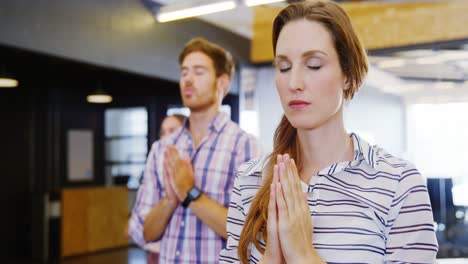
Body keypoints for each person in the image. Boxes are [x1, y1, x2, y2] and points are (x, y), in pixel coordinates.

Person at [219, 1, 438, 263]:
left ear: (347, 74)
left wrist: (302, 254)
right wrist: (272, 256)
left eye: (313, 65)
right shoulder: (249, 179)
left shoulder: (399, 184)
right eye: (284, 67)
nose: (294, 83)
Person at [128, 37, 260, 263]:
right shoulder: (162, 148)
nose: (188, 79)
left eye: (198, 72)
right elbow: (144, 233)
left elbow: (247, 233)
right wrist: (171, 199)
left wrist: (190, 193)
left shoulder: (243, 144)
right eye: (184, 72)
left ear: (222, 83)